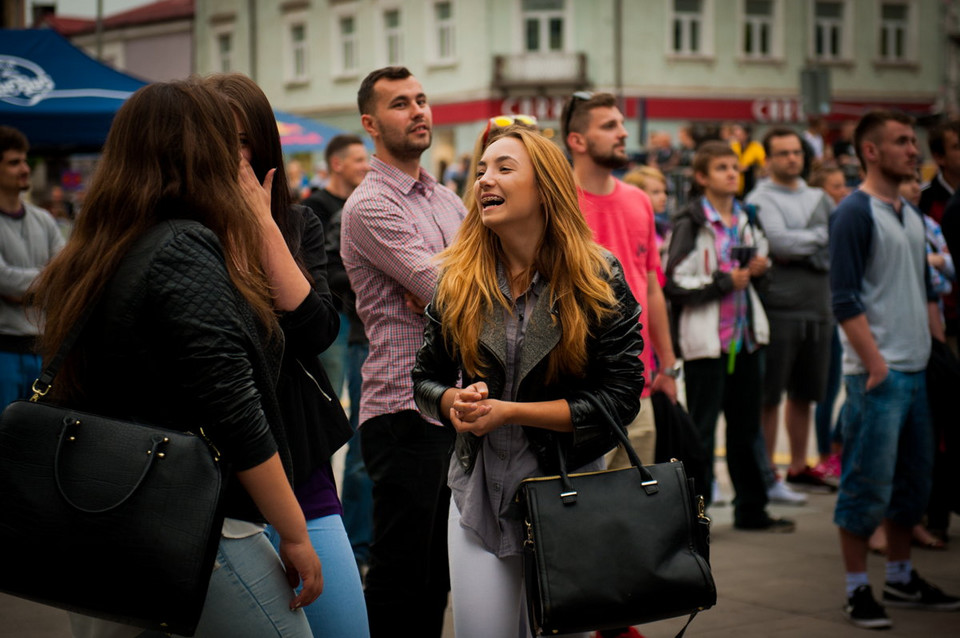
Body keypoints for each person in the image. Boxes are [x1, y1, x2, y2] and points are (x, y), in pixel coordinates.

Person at [29, 79, 323, 637]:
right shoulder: (183, 247)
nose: (236, 156)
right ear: (196, 150)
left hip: (98, 511)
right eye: (223, 140)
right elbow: (235, 412)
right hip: (186, 519)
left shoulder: (98, 246)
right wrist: (294, 532)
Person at [412, 126, 644, 638]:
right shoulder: (459, 279)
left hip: (568, 495)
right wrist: (454, 401)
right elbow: (424, 379)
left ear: (545, 186)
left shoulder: (597, 275)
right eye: (479, 171)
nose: (484, 181)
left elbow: (621, 398)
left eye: (503, 168)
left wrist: (513, 412)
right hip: (478, 499)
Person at [204, 72, 369, 637]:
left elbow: (316, 329)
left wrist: (260, 220)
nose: (233, 156)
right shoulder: (185, 236)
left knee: (345, 625)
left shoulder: (298, 223)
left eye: (245, 140)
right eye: (218, 139)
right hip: (215, 474)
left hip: (297, 456)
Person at [340, 66, 467, 636]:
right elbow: (451, 289)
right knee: (401, 572)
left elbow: (477, 281)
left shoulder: (446, 198)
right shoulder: (370, 206)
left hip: (455, 403)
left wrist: (449, 288)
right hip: (403, 408)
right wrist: (448, 289)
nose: (418, 111)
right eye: (400, 104)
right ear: (370, 123)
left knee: (439, 573)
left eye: (421, 99)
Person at [829, 110, 959, 629]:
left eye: (913, 142)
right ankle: (857, 589)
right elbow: (844, 298)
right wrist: (877, 365)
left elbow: (927, 291)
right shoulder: (855, 213)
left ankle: (902, 577)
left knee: (912, 484)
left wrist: (936, 350)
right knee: (865, 485)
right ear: (870, 151)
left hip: (918, 369)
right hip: (878, 376)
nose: (914, 151)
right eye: (902, 142)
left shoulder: (908, 212)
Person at [664, 140, 795, 533]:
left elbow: (764, 271)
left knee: (745, 429)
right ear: (702, 177)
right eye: (722, 168)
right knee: (702, 434)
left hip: (747, 339)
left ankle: (751, 510)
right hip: (708, 344)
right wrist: (723, 281)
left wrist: (760, 268)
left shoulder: (746, 216)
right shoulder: (691, 221)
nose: (732, 174)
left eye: (735, 167)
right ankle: (695, 519)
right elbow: (674, 281)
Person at [560, 91, 679, 479]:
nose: (623, 133)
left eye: (622, 123)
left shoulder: (639, 200)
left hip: (637, 387)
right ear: (577, 140)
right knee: (580, 514)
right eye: (609, 126)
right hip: (578, 392)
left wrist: (668, 364)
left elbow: (652, 288)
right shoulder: (558, 204)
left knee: (636, 512)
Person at [746, 127, 836, 501]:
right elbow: (778, 241)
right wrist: (816, 238)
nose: (791, 158)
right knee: (771, 395)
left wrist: (803, 243)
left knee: (806, 393)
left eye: (796, 152)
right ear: (767, 161)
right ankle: (770, 474)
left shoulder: (819, 197)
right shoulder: (759, 198)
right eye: (782, 153)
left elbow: (833, 239)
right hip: (780, 309)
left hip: (819, 306)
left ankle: (798, 466)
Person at [301, 133, 375, 575]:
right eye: (357, 159)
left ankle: (353, 533)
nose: (365, 166)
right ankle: (341, 532)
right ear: (335, 164)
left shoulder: (361, 204)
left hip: (351, 325)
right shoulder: (317, 209)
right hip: (338, 326)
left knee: (353, 428)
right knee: (335, 421)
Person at [0, 126, 64, 408]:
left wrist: (22, 292)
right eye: (14, 162)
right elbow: (3, 279)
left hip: (42, 352)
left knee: (37, 442)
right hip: (3, 352)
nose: (24, 168)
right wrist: (46, 285)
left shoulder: (44, 221)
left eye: (25, 160)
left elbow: (66, 274)